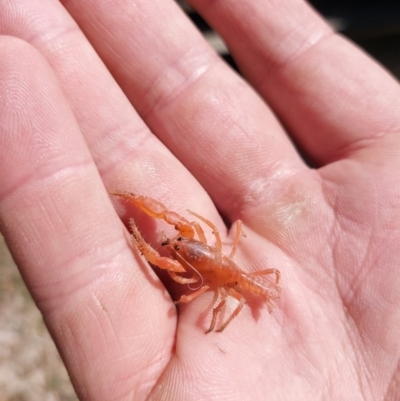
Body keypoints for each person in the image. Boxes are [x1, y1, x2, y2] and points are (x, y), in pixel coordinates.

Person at [0, 0, 399, 400]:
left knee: (197, 271)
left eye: (173, 242)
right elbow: (196, 233)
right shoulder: (197, 239)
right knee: (190, 240)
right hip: (221, 266)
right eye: (176, 242)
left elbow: (192, 285)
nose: (173, 241)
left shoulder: (208, 267)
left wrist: (205, 303)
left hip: (230, 278)